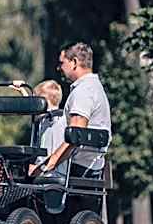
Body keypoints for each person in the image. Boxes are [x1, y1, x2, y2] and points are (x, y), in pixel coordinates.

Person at [38, 42, 111, 178]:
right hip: (90, 168)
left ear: (74, 62)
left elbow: (75, 137)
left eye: (62, 63)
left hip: (80, 171)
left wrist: (46, 167)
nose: (59, 68)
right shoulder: (93, 87)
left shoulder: (84, 91)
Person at [30, 79, 67, 176]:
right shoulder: (47, 119)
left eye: (35, 100)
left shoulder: (54, 121)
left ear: (42, 101)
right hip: (47, 171)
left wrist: (36, 169)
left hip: (50, 174)